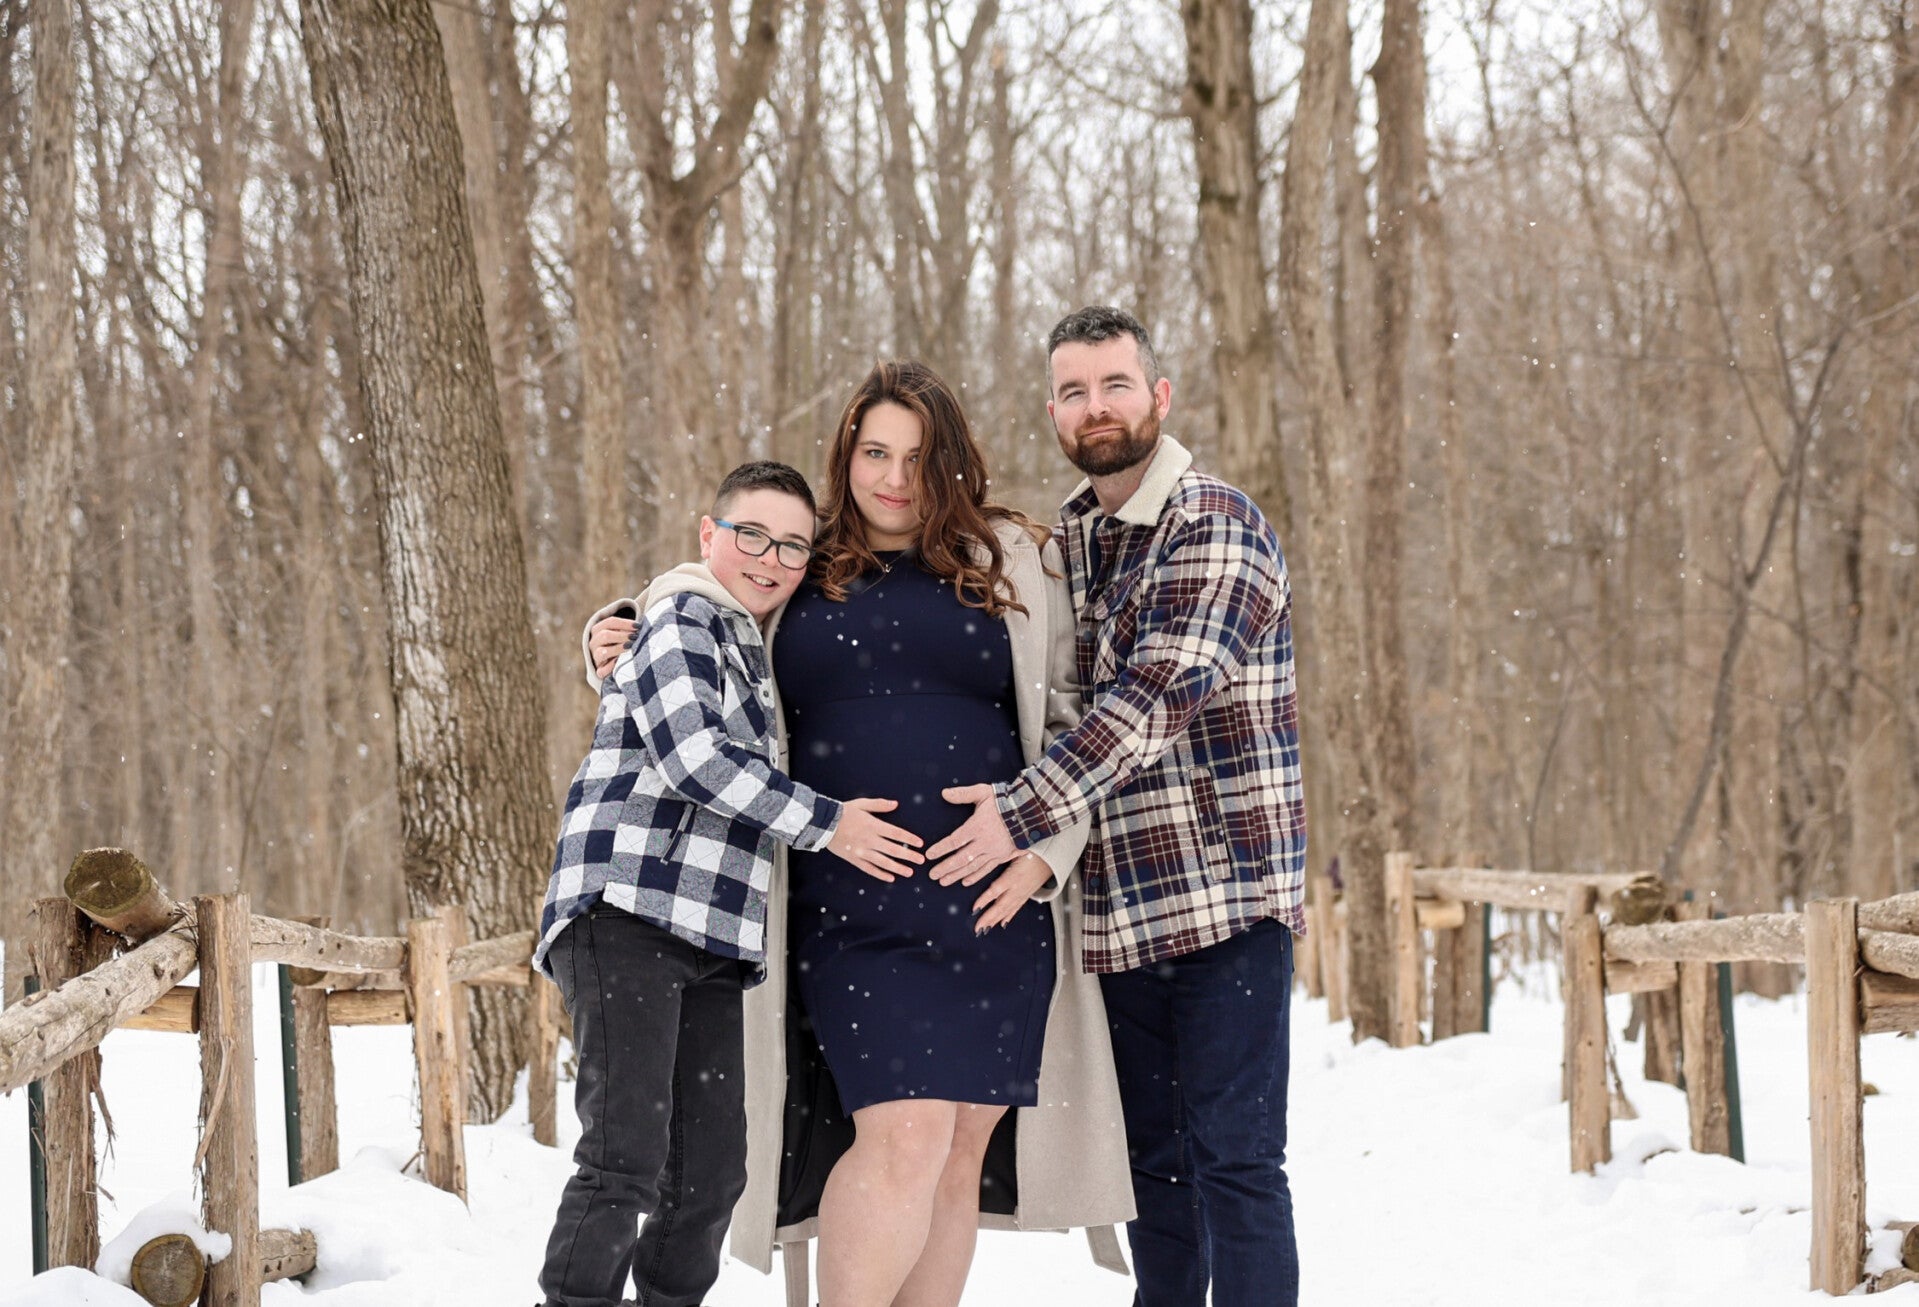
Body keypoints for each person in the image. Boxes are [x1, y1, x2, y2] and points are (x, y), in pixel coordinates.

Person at [584, 362, 1133, 1307]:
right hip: (849, 902)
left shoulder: (1013, 560)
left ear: (949, 463)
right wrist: (614, 625)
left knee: (958, 1151)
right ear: (845, 456)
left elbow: (1077, 723)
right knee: (904, 1134)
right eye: (875, 452)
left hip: (992, 906)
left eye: (917, 458)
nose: (894, 478)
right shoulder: (802, 561)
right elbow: (693, 600)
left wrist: (1044, 851)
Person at [926, 307, 1307, 1307]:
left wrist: (1016, 811)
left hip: (1225, 904)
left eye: (1114, 385)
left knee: (1235, 1162)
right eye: (1073, 391)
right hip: (1117, 917)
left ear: (1158, 396)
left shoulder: (1216, 522)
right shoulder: (1065, 543)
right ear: (1053, 410)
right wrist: (650, 613)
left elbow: (1153, 701)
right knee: (1155, 1174)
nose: (1094, 407)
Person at [533, 460, 925, 1307]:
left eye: (792, 545)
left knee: (710, 1174)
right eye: (751, 534)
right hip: (628, 907)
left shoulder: (754, 640)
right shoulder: (682, 616)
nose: (770, 558)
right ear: (708, 534)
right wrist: (831, 823)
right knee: (624, 1158)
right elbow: (692, 758)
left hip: (711, 931)